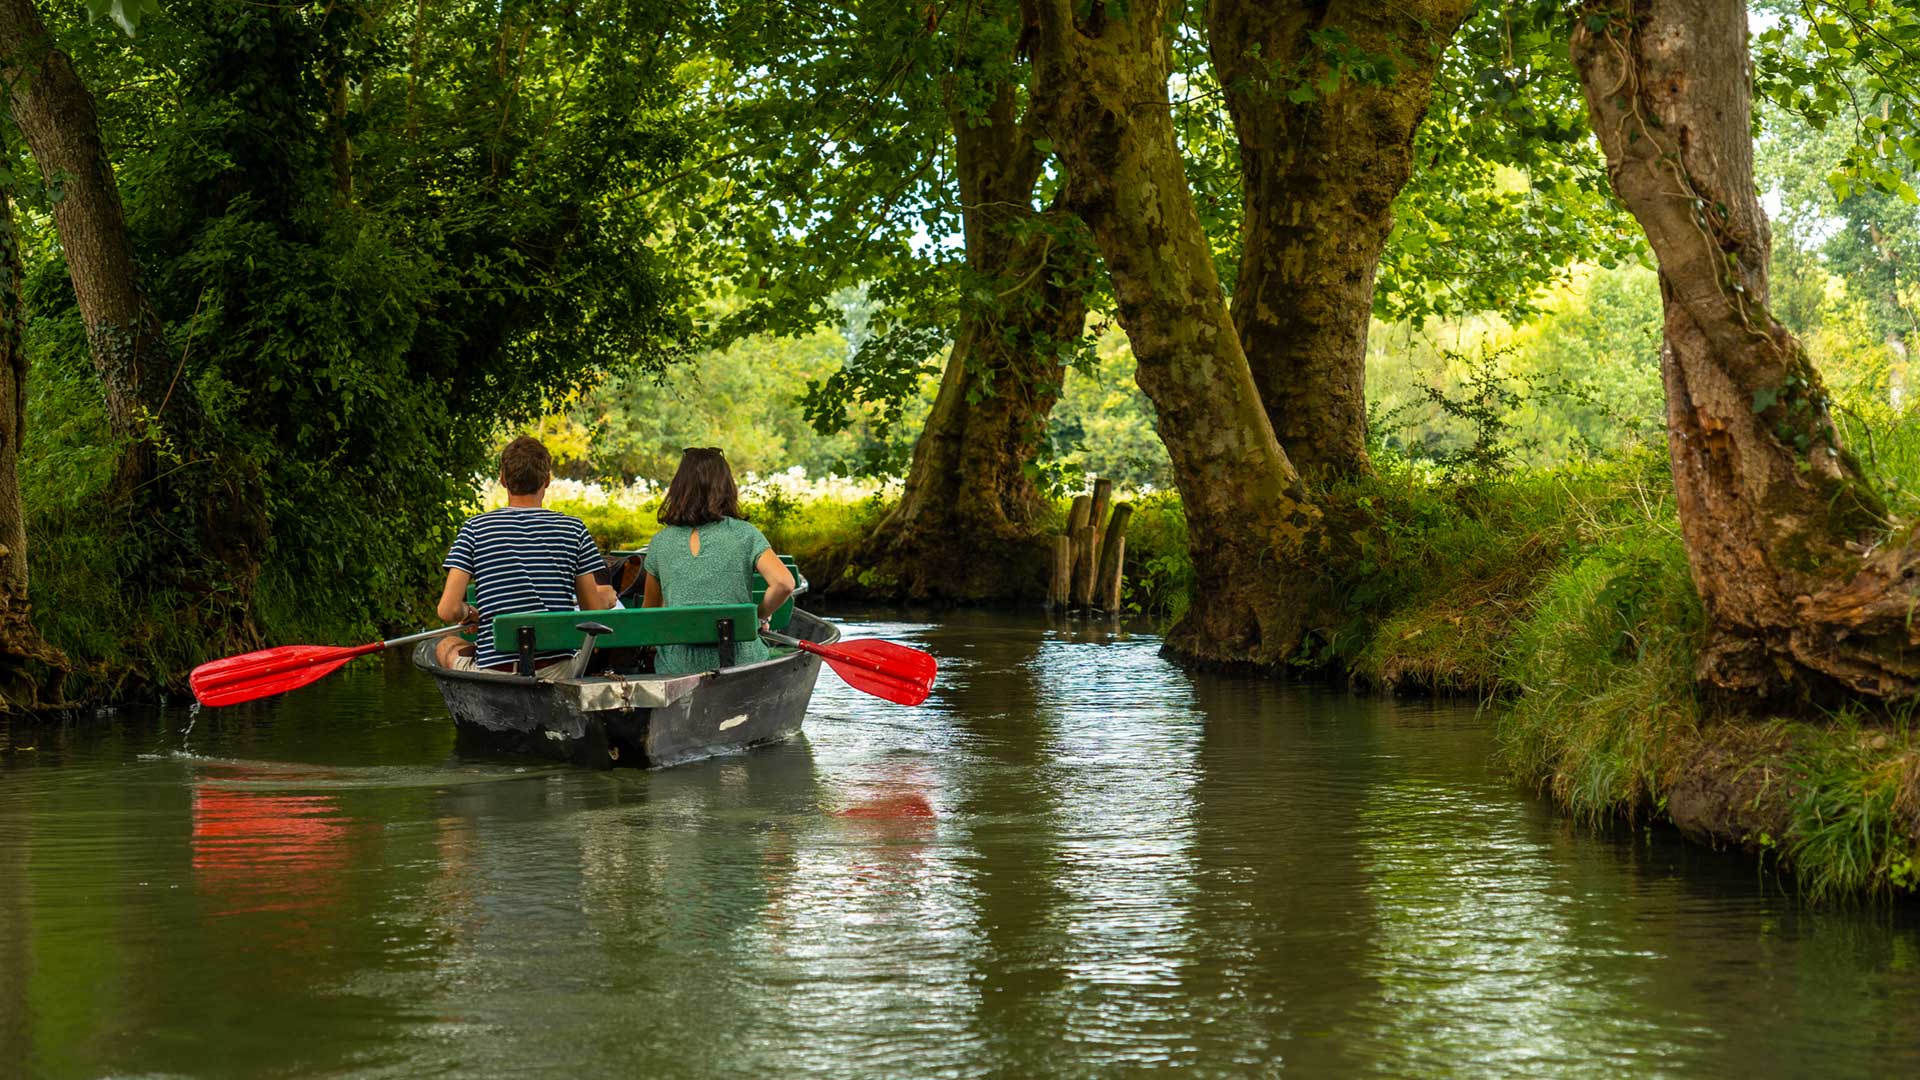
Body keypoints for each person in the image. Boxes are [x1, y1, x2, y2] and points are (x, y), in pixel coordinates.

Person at [434, 436, 616, 677]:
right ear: (547, 480)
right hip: (557, 670)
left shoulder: (475, 529)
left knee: (446, 645)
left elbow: (447, 610)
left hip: (495, 672)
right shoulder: (573, 529)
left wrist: (469, 613)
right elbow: (591, 610)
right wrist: (605, 597)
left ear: (502, 479)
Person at [642, 447, 796, 674]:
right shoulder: (745, 534)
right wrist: (758, 617)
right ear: (726, 487)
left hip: (676, 667)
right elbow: (784, 584)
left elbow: (649, 614)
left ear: (678, 488)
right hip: (741, 662)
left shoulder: (659, 542)